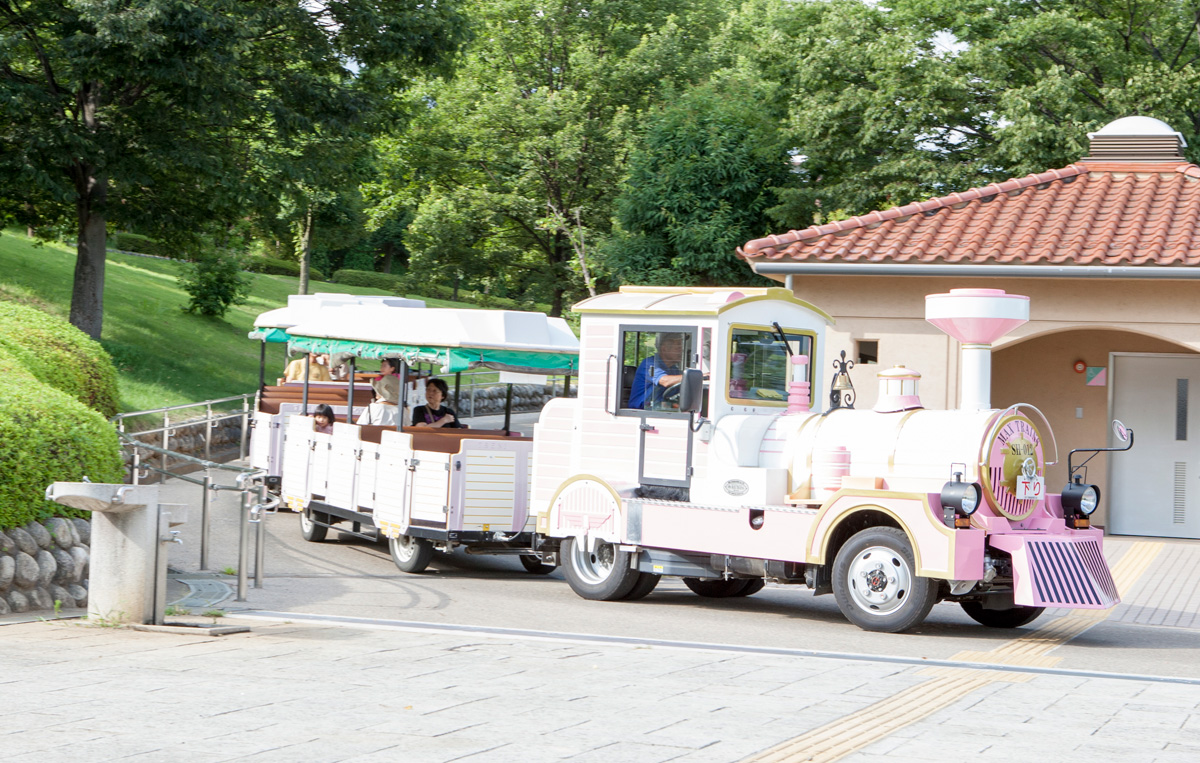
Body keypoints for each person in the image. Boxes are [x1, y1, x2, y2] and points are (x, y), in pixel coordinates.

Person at [628, 333, 685, 410]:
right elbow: (665, 381)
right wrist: (695, 376)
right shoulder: (649, 364)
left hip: (660, 410)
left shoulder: (674, 370)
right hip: (640, 412)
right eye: (677, 349)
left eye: (681, 349)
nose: (681, 352)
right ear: (664, 349)